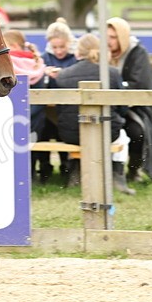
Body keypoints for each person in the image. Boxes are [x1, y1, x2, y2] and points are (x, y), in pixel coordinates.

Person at [51, 33, 135, 194]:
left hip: (70, 134)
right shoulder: (111, 73)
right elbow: (122, 107)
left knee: (77, 129)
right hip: (106, 131)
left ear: (77, 53)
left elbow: (60, 110)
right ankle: (117, 176)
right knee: (123, 135)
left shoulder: (62, 75)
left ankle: (75, 173)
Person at [108, 16, 152, 183]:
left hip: (135, 108)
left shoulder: (137, 53)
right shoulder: (101, 52)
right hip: (109, 108)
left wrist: (119, 89)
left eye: (113, 37)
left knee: (138, 133)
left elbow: (140, 83)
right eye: (107, 37)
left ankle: (134, 170)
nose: (109, 42)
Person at [35, 17, 78, 183]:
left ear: (69, 43)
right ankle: (44, 166)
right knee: (43, 131)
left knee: (63, 132)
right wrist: (43, 73)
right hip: (47, 108)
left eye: (62, 46)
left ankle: (66, 165)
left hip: (67, 108)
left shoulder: (76, 58)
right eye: (55, 47)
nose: (59, 51)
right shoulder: (43, 59)